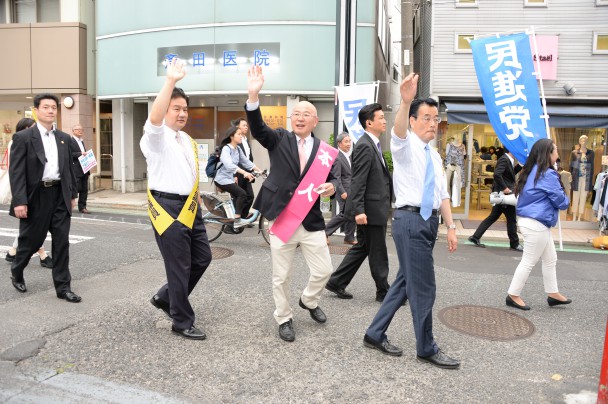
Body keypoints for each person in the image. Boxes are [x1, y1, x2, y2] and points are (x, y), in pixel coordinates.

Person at [363, 75, 461, 370]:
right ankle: (426, 347)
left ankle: (374, 332)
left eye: (436, 118)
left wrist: (451, 226)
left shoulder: (434, 155)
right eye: (426, 118)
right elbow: (397, 130)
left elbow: (441, 193)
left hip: (428, 223)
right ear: (414, 121)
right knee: (424, 287)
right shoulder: (405, 148)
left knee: (405, 282)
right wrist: (405, 101)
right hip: (410, 220)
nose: (433, 123)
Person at [245, 65, 338, 342]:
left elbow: (334, 181)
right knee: (281, 276)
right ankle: (284, 317)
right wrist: (253, 95)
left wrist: (332, 187)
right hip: (282, 217)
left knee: (324, 270)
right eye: (296, 114)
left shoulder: (324, 152)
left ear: (315, 120)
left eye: (306, 114)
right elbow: (259, 128)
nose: (299, 118)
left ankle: (309, 300)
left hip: (310, 221)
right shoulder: (279, 139)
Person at [140, 58, 212, 340]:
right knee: (179, 266)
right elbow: (154, 119)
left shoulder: (187, 139)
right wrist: (170, 81)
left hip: (190, 207)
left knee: (203, 258)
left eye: (185, 109)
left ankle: (165, 297)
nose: (182, 113)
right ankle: (181, 321)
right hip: (167, 207)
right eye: (176, 108)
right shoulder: (156, 138)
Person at [8, 94, 80, 302]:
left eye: (53, 107)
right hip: (36, 196)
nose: (50, 111)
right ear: (36, 111)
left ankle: (63, 287)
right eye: (45, 107)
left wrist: (72, 194)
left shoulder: (63, 138)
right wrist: (20, 200)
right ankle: (17, 269)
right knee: (30, 242)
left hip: (59, 195)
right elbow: (17, 172)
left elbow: (68, 169)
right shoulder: (23, 138)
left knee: (61, 242)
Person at [324, 103, 392, 302]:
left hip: (373, 208)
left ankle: (336, 282)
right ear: (369, 123)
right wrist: (359, 210)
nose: (384, 120)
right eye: (380, 117)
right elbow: (358, 181)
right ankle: (383, 292)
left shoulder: (373, 144)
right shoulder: (364, 145)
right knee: (378, 251)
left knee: (362, 247)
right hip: (370, 211)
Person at [506, 138, 571, 311]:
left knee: (550, 259)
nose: (557, 152)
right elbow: (562, 202)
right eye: (555, 149)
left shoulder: (532, 171)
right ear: (548, 154)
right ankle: (513, 294)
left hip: (532, 221)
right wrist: (566, 195)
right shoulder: (547, 174)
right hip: (537, 222)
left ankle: (553, 293)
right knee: (528, 261)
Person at [5, 118, 53, 268]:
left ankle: (13, 251)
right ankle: (43, 256)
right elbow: (16, 170)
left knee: (30, 225)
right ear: (25, 128)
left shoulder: (34, 141)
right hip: (24, 189)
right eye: (32, 127)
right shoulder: (17, 141)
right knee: (32, 226)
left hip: (34, 189)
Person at [468, 147, 523, 251]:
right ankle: (514, 243)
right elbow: (497, 174)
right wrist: (505, 188)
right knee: (511, 219)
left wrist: (519, 166)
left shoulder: (508, 159)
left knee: (493, 217)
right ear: (511, 150)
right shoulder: (504, 159)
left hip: (502, 195)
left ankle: (475, 237)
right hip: (504, 194)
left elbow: (509, 175)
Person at [213, 125, 262, 228]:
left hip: (229, 179)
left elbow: (246, 162)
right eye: (239, 134)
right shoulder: (226, 149)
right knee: (242, 194)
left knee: (248, 195)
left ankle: (238, 221)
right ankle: (237, 219)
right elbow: (229, 165)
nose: (241, 136)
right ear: (232, 136)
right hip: (222, 179)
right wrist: (244, 173)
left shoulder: (238, 149)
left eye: (241, 135)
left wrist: (260, 171)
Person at [324, 132, 356, 245]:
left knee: (352, 212)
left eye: (349, 141)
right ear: (339, 143)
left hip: (351, 190)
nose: (349, 144)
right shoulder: (337, 157)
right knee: (344, 214)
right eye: (346, 142)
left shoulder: (348, 156)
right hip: (343, 191)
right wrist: (342, 191)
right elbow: (336, 177)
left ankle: (349, 237)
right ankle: (325, 232)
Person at [233, 117, 256, 219]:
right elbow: (232, 160)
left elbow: (249, 158)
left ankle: (242, 217)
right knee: (238, 197)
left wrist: (253, 170)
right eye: (244, 125)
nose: (246, 127)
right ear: (238, 127)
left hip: (246, 173)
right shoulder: (235, 140)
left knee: (250, 196)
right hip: (238, 173)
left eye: (247, 125)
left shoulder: (246, 140)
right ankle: (234, 220)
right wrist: (234, 175)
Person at [69, 124, 91, 214]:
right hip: (76, 169)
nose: (80, 131)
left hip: (84, 168)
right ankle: (68, 204)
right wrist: (80, 153)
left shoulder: (81, 141)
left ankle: (82, 207)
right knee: (76, 188)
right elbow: (69, 154)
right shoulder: (70, 141)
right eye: (78, 129)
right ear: (73, 131)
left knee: (84, 189)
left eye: (81, 129)